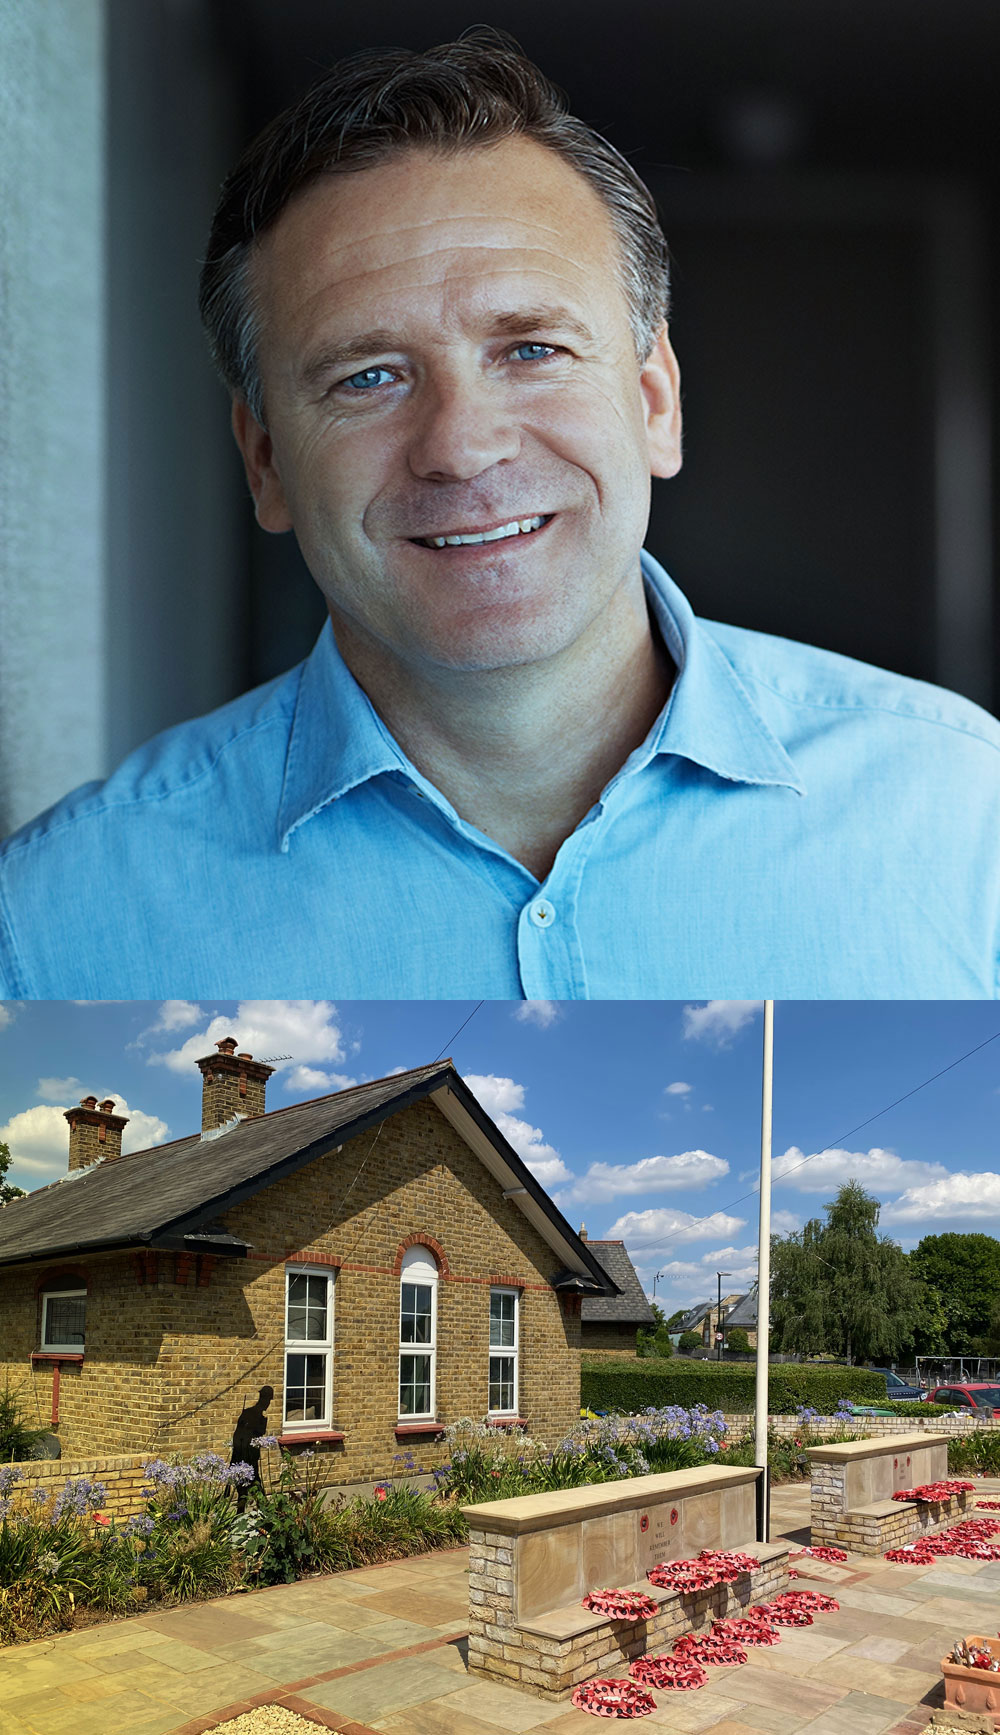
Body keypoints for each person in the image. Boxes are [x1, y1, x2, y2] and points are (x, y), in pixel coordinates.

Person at [1, 31, 998, 998]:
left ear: (653, 403)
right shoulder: (54, 925)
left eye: (531, 350)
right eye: (369, 376)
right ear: (263, 459)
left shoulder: (967, 818)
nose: (462, 446)